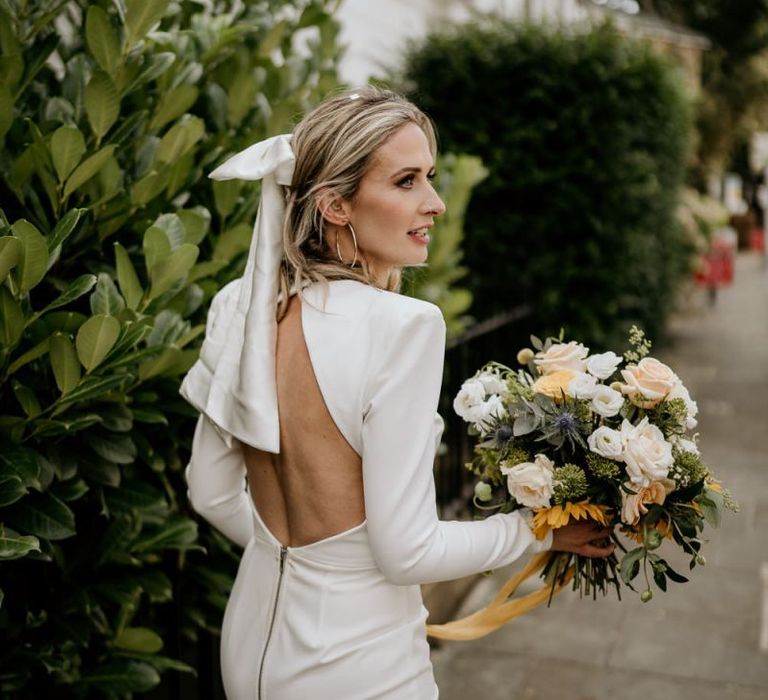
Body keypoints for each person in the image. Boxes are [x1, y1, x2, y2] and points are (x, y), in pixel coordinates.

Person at [180, 87, 614, 700]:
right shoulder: (403, 326)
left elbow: (209, 489)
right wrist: (538, 531)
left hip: (251, 645)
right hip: (360, 664)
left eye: (430, 178)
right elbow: (406, 552)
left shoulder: (241, 306)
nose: (434, 203)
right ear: (335, 205)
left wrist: (302, 562)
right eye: (406, 181)